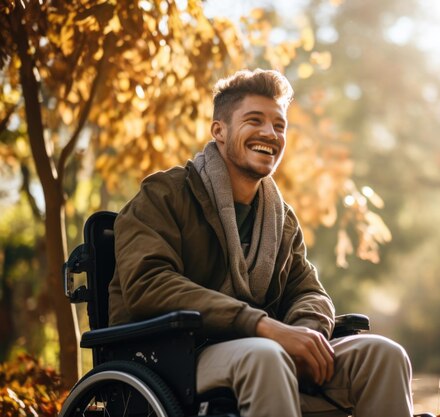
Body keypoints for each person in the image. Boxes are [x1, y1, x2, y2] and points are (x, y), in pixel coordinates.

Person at [108, 68, 414, 417]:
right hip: (173, 356)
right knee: (266, 356)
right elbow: (148, 283)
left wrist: (303, 335)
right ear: (219, 131)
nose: (270, 133)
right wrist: (262, 325)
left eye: (279, 125)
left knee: (382, 355)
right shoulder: (164, 195)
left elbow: (308, 292)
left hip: (263, 351)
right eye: (254, 120)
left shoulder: (280, 219)